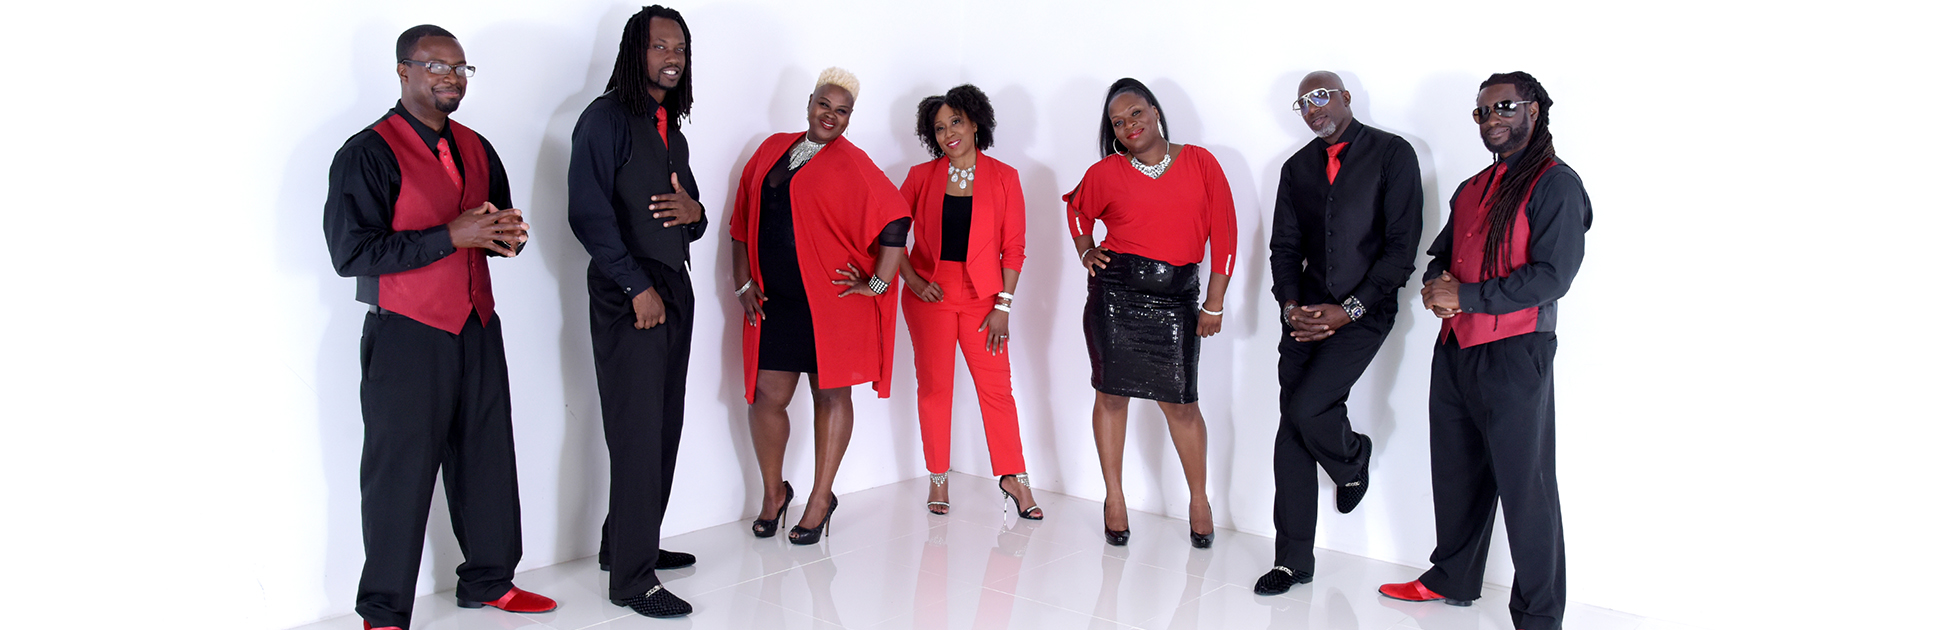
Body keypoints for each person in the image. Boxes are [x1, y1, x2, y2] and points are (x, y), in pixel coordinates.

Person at [322, 24, 555, 630]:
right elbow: (352, 253)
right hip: (406, 334)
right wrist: (451, 235)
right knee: (398, 472)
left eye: (460, 68)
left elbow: (499, 227)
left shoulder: (478, 147)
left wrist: (508, 239)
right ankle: (383, 611)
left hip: (477, 324)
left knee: (487, 458)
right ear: (404, 71)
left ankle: (489, 582)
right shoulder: (366, 153)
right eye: (436, 66)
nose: (451, 77)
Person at [1378, 71, 1591, 630]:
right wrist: (1435, 287)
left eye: (1503, 106)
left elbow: (1553, 276)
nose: (1491, 118)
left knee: (1527, 488)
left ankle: (1539, 615)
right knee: (1455, 471)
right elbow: (1442, 253)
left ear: (1533, 111)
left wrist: (1466, 295)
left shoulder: (1556, 185)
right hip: (1456, 349)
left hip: (1518, 351)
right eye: (1481, 112)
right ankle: (1452, 577)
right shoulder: (1473, 187)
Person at [1254, 71, 1424, 595]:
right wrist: (1290, 306)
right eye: (1302, 103)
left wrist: (1347, 310)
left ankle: (1353, 459)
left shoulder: (1394, 154)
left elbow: (1401, 248)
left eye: (1321, 96)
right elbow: (1284, 247)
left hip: (1364, 313)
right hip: (1304, 314)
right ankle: (1292, 561)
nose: (1312, 108)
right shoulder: (1296, 167)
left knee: (1308, 410)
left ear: (1346, 98)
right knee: (1290, 428)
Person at [729, 67, 911, 545]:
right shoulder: (772, 149)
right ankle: (774, 494)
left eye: (842, 110)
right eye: (824, 105)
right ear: (809, 103)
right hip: (775, 299)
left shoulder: (852, 162)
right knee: (766, 397)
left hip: (829, 302)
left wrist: (876, 283)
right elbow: (742, 220)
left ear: (850, 118)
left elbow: (895, 218)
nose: (830, 115)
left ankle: (820, 498)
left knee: (831, 395)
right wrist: (742, 280)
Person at [565, 5, 704, 619]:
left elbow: (687, 212)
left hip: (673, 291)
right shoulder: (604, 120)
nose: (671, 56)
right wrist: (633, 287)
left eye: (679, 47)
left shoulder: (669, 125)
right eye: (658, 46)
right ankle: (631, 580)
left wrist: (695, 215)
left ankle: (626, 543)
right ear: (634, 52)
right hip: (631, 298)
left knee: (662, 425)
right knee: (638, 432)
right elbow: (588, 214)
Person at [1064, 78, 1237, 549]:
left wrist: (1214, 303)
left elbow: (1224, 233)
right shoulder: (1105, 172)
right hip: (1114, 296)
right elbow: (1078, 211)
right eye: (1118, 123)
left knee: (1181, 405)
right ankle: (1114, 497)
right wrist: (1085, 252)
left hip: (1177, 299)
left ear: (1155, 111)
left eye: (1135, 114)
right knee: (1111, 396)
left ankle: (1199, 500)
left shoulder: (1201, 162)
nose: (1129, 126)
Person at [896, 85, 1041, 519]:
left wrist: (1004, 305)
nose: (948, 134)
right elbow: (888, 236)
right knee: (935, 389)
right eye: (939, 128)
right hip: (931, 297)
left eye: (955, 122)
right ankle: (937, 478)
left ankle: (1013, 476)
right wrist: (915, 280)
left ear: (975, 122)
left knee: (997, 390)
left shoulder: (1005, 176)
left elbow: (1014, 248)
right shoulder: (921, 178)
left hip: (985, 300)